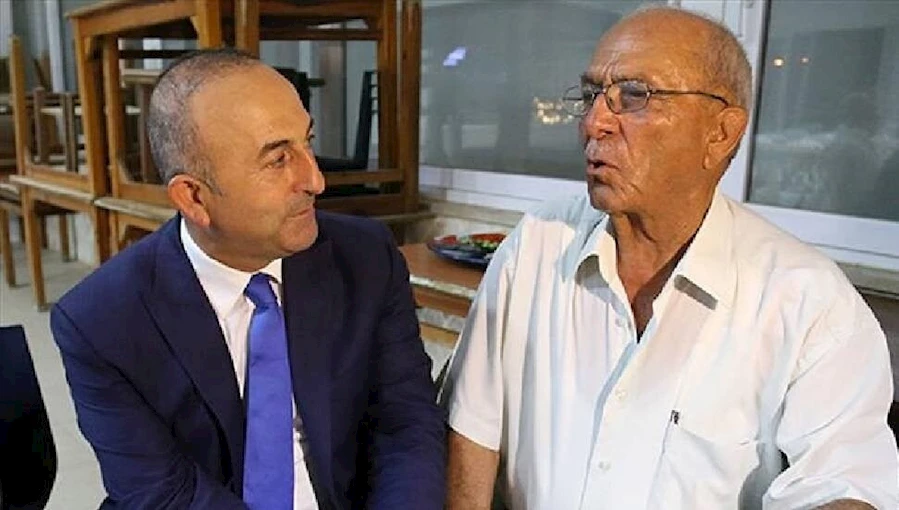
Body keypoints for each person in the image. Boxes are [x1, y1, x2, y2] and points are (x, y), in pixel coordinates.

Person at [440, 6, 898, 510]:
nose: (594, 122)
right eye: (591, 96)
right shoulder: (538, 245)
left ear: (721, 133)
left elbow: (843, 487)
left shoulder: (808, 301)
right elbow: (473, 425)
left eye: (634, 96)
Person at [51, 48, 446, 509]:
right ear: (194, 198)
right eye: (278, 160)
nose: (315, 180)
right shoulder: (101, 321)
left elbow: (405, 423)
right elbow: (163, 493)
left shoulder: (365, 258)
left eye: (308, 143)